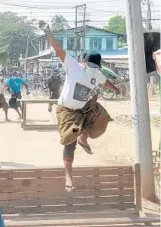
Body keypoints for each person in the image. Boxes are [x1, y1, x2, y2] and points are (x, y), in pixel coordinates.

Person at [39, 21, 119, 192]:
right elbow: (58, 49)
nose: (92, 69)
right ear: (83, 61)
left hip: (82, 109)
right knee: (70, 141)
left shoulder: (97, 74)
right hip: (66, 111)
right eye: (90, 65)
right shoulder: (73, 66)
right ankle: (68, 176)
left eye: (95, 67)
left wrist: (116, 89)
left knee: (100, 114)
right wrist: (48, 32)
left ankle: (84, 136)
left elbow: (107, 83)